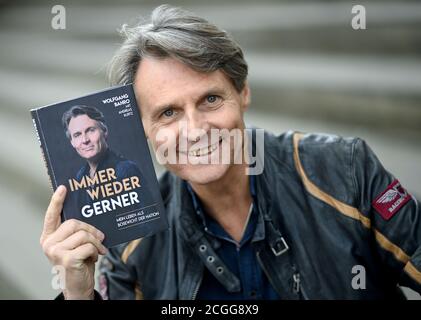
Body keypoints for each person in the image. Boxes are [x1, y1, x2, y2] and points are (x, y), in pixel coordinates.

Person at [40, 5, 421, 300]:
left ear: (243, 94)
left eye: (210, 99)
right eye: (168, 112)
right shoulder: (130, 244)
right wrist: (79, 292)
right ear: (141, 128)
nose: (194, 130)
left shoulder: (344, 170)